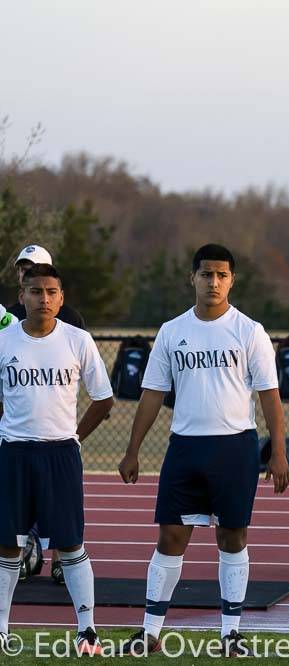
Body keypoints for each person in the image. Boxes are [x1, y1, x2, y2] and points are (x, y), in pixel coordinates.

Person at [117, 243, 289, 657]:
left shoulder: (249, 331)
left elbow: (270, 397)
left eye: (222, 275)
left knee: (233, 537)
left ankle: (230, 634)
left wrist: (278, 452)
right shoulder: (172, 331)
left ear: (232, 280)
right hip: (186, 448)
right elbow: (152, 395)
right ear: (192, 277)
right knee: (171, 536)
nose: (214, 282)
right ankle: (149, 633)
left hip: (235, 448)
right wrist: (132, 449)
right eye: (206, 274)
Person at [0, 264, 114, 655]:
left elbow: (104, 398)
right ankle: (1, 629)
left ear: (61, 298)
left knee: (71, 544)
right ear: (22, 297)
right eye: (35, 291)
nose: (43, 299)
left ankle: (88, 632)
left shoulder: (78, 340)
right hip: (13, 452)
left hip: (61, 454)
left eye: (51, 292)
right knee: (7, 544)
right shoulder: (4, 341)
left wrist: (75, 437)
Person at [8, 244, 85, 585]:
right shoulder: (9, 318)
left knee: (63, 513)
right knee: (15, 514)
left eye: (34, 267)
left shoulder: (71, 322)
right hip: (17, 437)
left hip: (58, 434)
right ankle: (26, 552)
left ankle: (58, 558)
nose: (27, 271)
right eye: (23, 268)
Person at [8, 245, 86, 329]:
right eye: (23, 270)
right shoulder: (9, 317)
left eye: (34, 269)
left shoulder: (70, 318)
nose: (27, 274)